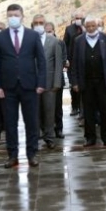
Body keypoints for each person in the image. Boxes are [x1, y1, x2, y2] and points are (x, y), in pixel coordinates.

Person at [0, 4, 46, 168]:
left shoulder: (32, 35)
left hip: (30, 86)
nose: (13, 18)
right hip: (7, 88)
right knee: (10, 123)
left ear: (22, 16)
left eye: (16, 15)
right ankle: (12, 155)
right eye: (10, 15)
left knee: (32, 122)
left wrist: (41, 83)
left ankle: (32, 154)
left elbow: (41, 61)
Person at [70, 16, 106, 147]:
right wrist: (74, 82)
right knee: (88, 111)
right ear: (84, 27)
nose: (91, 28)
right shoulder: (79, 41)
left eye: (93, 26)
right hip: (86, 82)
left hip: (103, 81)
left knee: (105, 110)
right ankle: (90, 137)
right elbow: (74, 63)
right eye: (88, 26)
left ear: (97, 26)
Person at [32, 14, 63, 149]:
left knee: (49, 111)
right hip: (33, 83)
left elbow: (58, 63)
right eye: (36, 23)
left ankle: (49, 137)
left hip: (49, 83)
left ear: (45, 25)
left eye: (41, 23)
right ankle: (36, 135)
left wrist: (57, 83)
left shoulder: (54, 41)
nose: (39, 25)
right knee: (34, 112)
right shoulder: (28, 40)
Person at [47, 21, 67, 139]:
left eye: (50, 31)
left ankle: (58, 129)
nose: (48, 33)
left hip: (57, 79)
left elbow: (63, 59)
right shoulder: (40, 42)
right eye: (46, 31)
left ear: (54, 31)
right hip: (44, 80)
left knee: (57, 107)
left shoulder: (60, 43)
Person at [64, 11, 85, 117]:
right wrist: (66, 60)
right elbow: (65, 45)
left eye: (81, 18)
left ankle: (82, 109)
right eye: (77, 18)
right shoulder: (69, 29)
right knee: (73, 86)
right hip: (72, 63)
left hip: (84, 63)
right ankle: (74, 106)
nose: (79, 20)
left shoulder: (86, 28)